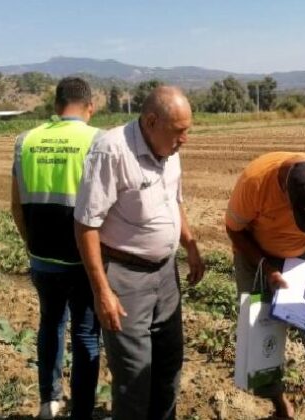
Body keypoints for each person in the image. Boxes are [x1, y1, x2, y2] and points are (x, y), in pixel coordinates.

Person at [74, 86, 205, 420]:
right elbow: (86, 225)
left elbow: (173, 200)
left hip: (166, 274)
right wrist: (102, 290)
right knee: (134, 377)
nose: (185, 139)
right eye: (179, 131)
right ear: (150, 121)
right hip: (125, 277)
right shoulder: (111, 151)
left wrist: (189, 243)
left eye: (187, 130)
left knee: (169, 366)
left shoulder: (170, 149)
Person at [225, 151, 305, 420]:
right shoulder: (255, 183)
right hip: (255, 253)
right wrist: (266, 267)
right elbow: (234, 229)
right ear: (285, 193)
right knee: (259, 328)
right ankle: (280, 406)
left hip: (302, 254)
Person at [11, 77, 102, 419]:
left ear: (55, 105)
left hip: (42, 259)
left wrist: (31, 244)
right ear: (89, 106)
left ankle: (49, 401)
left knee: (50, 324)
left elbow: (15, 205)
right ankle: (81, 411)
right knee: (85, 333)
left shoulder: (26, 140)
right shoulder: (97, 140)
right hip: (83, 261)